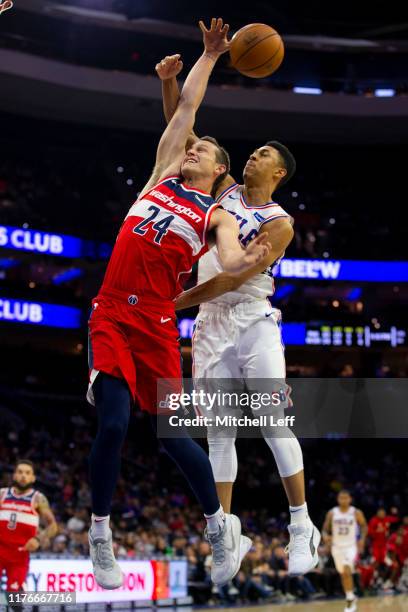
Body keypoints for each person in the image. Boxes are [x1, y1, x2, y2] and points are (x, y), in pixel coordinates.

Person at [86, 18, 271, 590]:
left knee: (174, 437)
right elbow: (186, 106)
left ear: (219, 172)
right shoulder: (160, 178)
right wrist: (211, 54)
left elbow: (231, 259)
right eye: (190, 146)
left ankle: (220, 528)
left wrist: (249, 260)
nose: (192, 150)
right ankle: (100, 533)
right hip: (115, 311)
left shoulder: (214, 214)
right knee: (114, 423)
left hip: (160, 325)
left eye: (203, 151)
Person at [156, 53, 320, 575]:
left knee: (273, 422)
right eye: (250, 152)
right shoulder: (223, 194)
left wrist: (174, 302)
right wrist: (170, 83)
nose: (252, 156)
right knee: (221, 433)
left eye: (263, 154)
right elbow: (183, 136)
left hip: (251, 317)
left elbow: (233, 278)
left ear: (279, 172)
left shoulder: (280, 222)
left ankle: (301, 524)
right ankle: (227, 534)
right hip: (209, 325)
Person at [0, 460, 57, 593]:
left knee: (15, 600)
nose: (23, 476)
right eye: (20, 472)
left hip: (20, 554)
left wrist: (38, 539)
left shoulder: (38, 498)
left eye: (27, 473)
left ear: (33, 477)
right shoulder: (2, 494)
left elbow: (53, 526)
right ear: (14, 475)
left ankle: (20, 587)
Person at [322, 490, 367, 612]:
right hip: (336, 547)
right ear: (338, 499)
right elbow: (325, 529)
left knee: (347, 570)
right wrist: (325, 536)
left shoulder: (356, 512)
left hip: (351, 546)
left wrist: (362, 539)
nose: (343, 500)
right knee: (343, 574)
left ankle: (350, 600)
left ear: (350, 499)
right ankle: (351, 595)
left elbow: (363, 526)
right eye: (341, 498)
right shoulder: (332, 513)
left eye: (346, 498)